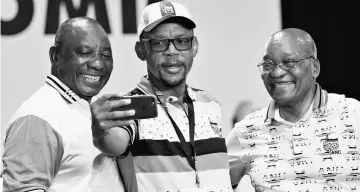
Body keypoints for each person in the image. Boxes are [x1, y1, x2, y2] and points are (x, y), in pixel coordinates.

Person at [90, 1, 233, 191]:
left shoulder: (210, 104)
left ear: (194, 46)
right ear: (141, 50)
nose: (172, 51)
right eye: (159, 43)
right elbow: (113, 143)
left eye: (182, 41)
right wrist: (101, 132)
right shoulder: (131, 107)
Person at [1, 17, 133, 191]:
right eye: (85, 53)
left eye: (106, 55)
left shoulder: (89, 108)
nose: (98, 64)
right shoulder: (37, 116)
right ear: (55, 56)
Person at [226, 28, 360, 192]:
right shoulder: (246, 131)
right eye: (268, 64)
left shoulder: (353, 114)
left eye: (289, 62)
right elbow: (208, 184)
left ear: (314, 68)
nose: (276, 72)